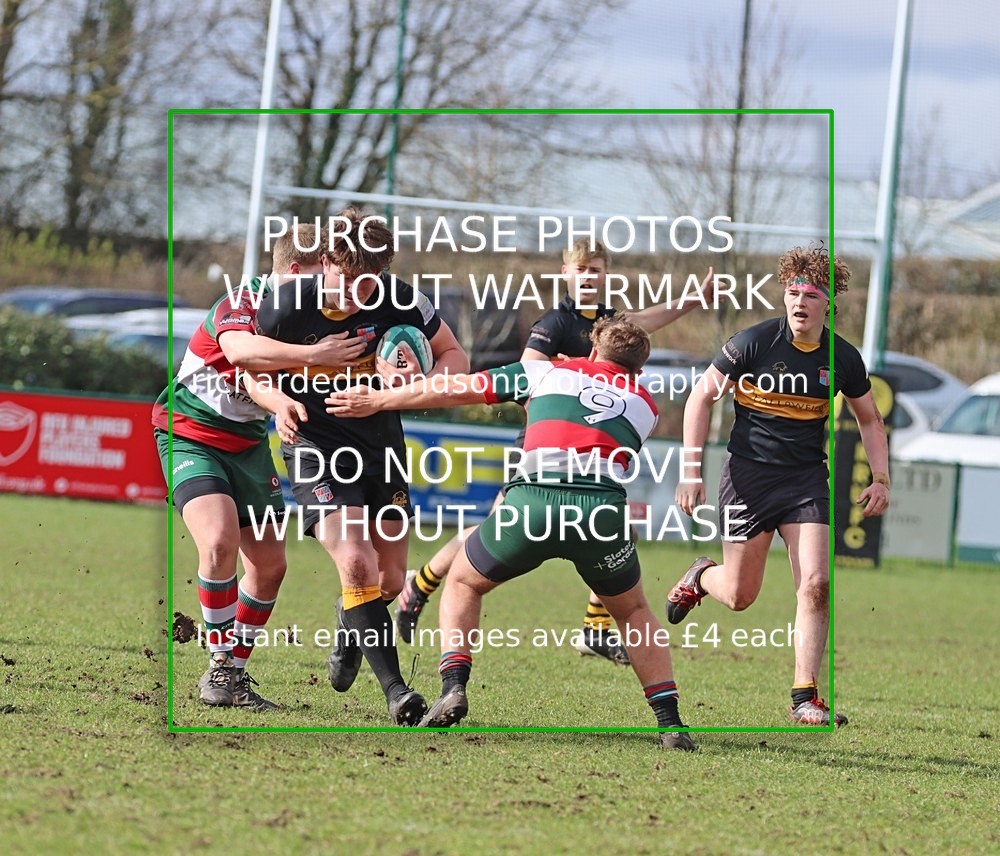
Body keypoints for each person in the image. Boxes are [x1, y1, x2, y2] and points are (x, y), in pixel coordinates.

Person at [327, 316, 698, 750]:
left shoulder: (544, 371)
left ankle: (453, 687)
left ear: (593, 350)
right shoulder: (647, 405)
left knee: (464, 581)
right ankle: (670, 723)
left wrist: (381, 399)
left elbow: (455, 389)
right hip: (600, 512)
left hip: (533, 503)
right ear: (638, 368)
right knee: (634, 612)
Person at [395, 237, 715, 666]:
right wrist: (566, 376)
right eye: (581, 270)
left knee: (617, 534)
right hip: (543, 443)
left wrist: (693, 299)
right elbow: (528, 373)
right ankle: (420, 585)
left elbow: (646, 321)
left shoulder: (610, 321)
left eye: (597, 270)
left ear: (606, 275)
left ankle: (594, 629)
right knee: (494, 530)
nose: (589, 277)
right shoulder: (555, 323)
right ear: (566, 274)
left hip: (580, 448)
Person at [254, 207, 470, 726]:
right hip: (315, 446)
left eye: (370, 283)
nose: (358, 295)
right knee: (356, 562)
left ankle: (351, 620)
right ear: (326, 260)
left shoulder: (401, 300)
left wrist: (408, 387)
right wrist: (278, 403)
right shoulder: (287, 304)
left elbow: (455, 358)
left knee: (389, 579)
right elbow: (246, 368)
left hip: (380, 447)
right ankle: (397, 693)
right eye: (349, 280)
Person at [667, 245, 890, 726]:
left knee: (816, 583)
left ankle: (804, 696)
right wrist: (690, 470)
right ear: (784, 296)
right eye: (793, 292)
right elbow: (700, 399)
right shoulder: (752, 342)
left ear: (828, 302)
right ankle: (701, 576)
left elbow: (870, 420)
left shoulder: (843, 357)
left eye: (811, 294)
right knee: (740, 596)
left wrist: (881, 477)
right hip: (748, 478)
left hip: (805, 480)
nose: (800, 302)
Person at [153, 224, 369, 710]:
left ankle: (235, 673)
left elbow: (260, 384)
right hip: (190, 432)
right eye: (321, 276)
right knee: (219, 541)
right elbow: (239, 353)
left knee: (270, 566)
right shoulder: (246, 298)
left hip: (248, 445)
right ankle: (219, 670)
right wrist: (314, 356)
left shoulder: (317, 320)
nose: (328, 290)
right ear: (296, 272)